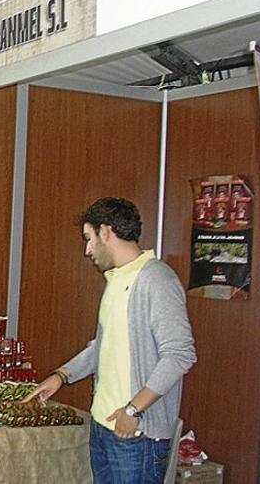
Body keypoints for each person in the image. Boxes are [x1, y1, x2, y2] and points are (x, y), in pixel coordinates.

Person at [23, 197, 197, 484]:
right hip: (103, 429)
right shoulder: (115, 280)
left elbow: (180, 355)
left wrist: (133, 409)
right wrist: (61, 376)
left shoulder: (157, 280)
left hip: (136, 435)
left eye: (89, 239)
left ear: (106, 232)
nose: (87, 250)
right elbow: (103, 347)